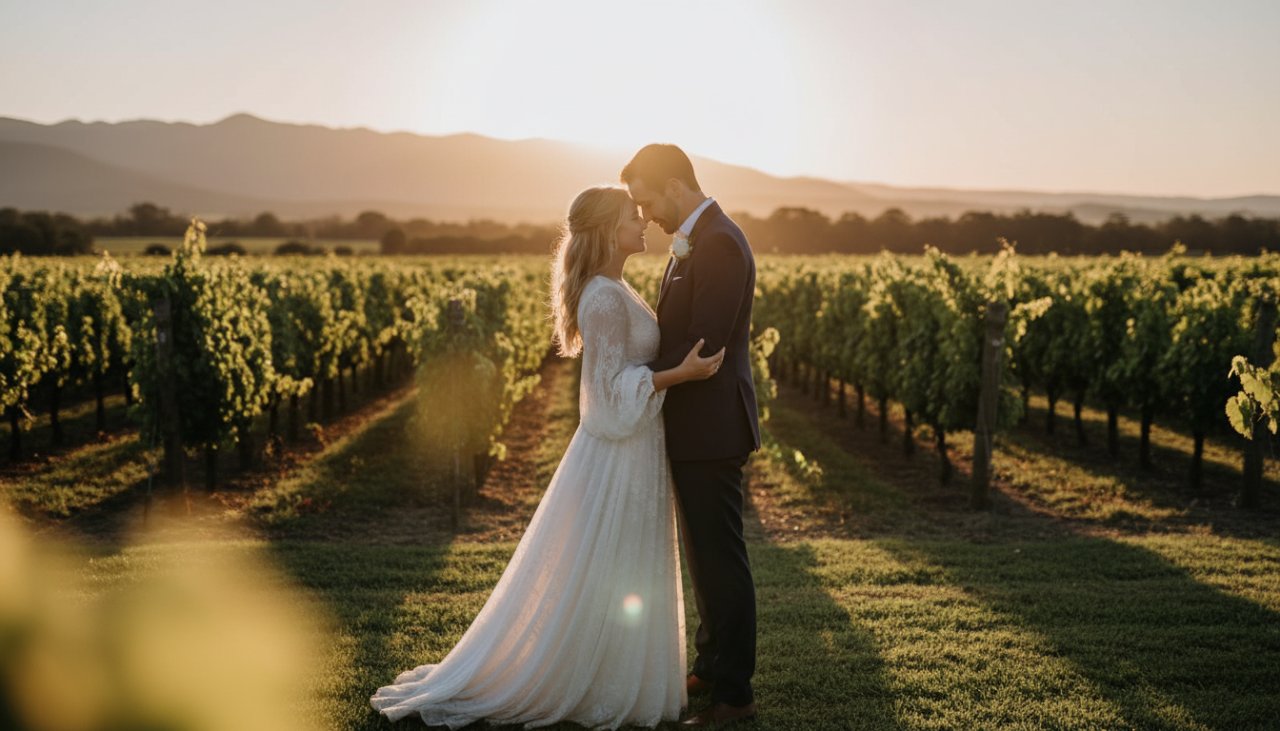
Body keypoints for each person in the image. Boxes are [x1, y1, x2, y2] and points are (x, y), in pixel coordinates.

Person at [370, 185, 724, 729]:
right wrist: (680, 375)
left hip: (636, 448)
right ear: (609, 229)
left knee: (622, 567)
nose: (644, 222)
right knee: (610, 565)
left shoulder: (615, 287)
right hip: (618, 450)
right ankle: (592, 679)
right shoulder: (603, 297)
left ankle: (620, 673)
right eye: (634, 216)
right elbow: (604, 399)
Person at [622, 143, 761, 727]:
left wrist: (637, 378)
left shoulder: (721, 243)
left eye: (647, 201)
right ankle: (710, 663)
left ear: (676, 186)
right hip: (693, 424)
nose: (647, 215)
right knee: (703, 556)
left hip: (711, 426)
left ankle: (734, 696)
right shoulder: (698, 240)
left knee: (721, 558)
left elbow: (706, 342)